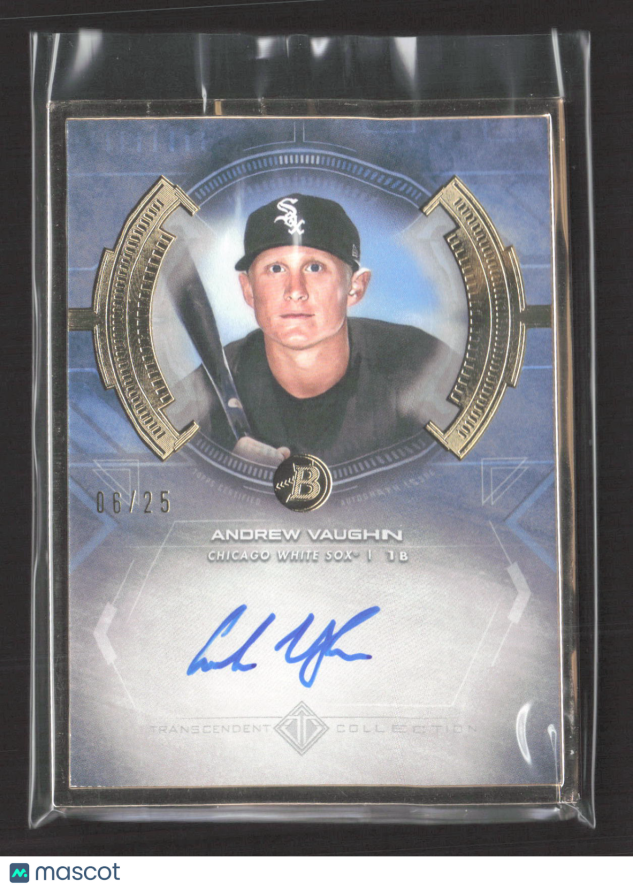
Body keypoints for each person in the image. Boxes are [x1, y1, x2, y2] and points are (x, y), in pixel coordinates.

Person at [170, 193, 460, 466]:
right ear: (248, 290)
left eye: (315, 268)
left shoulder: (423, 368)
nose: (295, 291)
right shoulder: (203, 396)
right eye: (275, 269)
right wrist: (225, 472)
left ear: (355, 287)